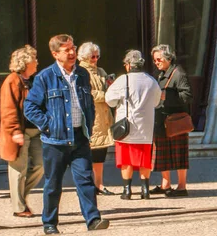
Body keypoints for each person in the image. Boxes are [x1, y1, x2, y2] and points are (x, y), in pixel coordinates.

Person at [24, 34, 109, 235]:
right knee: (53, 184)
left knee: (85, 181)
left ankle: (93, 219)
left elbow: (88, 103)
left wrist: (90, 124)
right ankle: (50, 223)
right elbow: (30, 107)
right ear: (55, 54)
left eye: (73, 48)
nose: (72, 53)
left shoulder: (82, 74)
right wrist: (48, 125)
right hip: (55, 141)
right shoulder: (45, 77)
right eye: (66, 50)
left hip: (80, 137)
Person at [105, 49, 161, 200]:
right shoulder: (151, 81)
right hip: (146, 127)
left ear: (129, 65)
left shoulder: (122, 80)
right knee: (144, 159)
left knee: (126, 159)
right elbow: (156, 102)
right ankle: (145, 190)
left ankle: (127, 190)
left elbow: (109, 100)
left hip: (126, 127)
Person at [0, 45, 44, 217]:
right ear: (25, 62)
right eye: (34, 59)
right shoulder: (12, 80)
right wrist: (15, 131)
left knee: (41, 165)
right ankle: (18, 207)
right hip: (20, 132)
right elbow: (8, 108)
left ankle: (19, 196)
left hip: (36, 131)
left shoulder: (33, 80)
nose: (37, 62)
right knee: (19, 169)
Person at [151, 44, 193, 197]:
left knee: (179, 154)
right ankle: (165, 184)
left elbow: (187, 96)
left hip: (175, 121)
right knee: (163, 154)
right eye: (155, 60)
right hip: (162, 119)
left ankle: (182, 186)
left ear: (168, 58)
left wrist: (167, 97)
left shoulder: (178, 73)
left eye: (159, 59)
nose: (156, 62)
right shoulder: (161, 73)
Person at [78, 42, 114, 195]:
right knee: (88, 152)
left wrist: (111, 85)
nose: (95, 59)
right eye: (92, 56)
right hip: (91, 116)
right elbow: (87, 93)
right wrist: (107, 96)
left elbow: (109, 89)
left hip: (104, 115)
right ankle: (88, 185)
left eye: (97, 56)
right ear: (85, 57)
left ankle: (99, 184)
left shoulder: (100, 71)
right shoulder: (80, 71)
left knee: (100, 152)